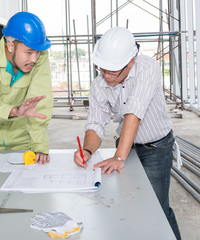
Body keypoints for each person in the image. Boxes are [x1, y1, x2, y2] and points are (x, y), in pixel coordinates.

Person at [73, 27, 181, 239]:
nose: (107, 76)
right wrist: (87, 150)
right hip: (126, 145)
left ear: (130, 62)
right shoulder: (99, 84)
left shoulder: (148, 67)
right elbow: (96, 123)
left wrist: (119, 157)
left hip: (157, 147)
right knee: (128, 206)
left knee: (157, 209)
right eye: (102, 69)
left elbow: (134, 112)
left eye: (113, 71)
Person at [0, 12, 53, 164]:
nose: (34, 58)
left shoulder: (40, 58)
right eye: (28, 52)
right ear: (11, 45)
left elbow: (40, 103)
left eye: (37, 52)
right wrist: (14, 111)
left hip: (21, 141)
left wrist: (39, 146)